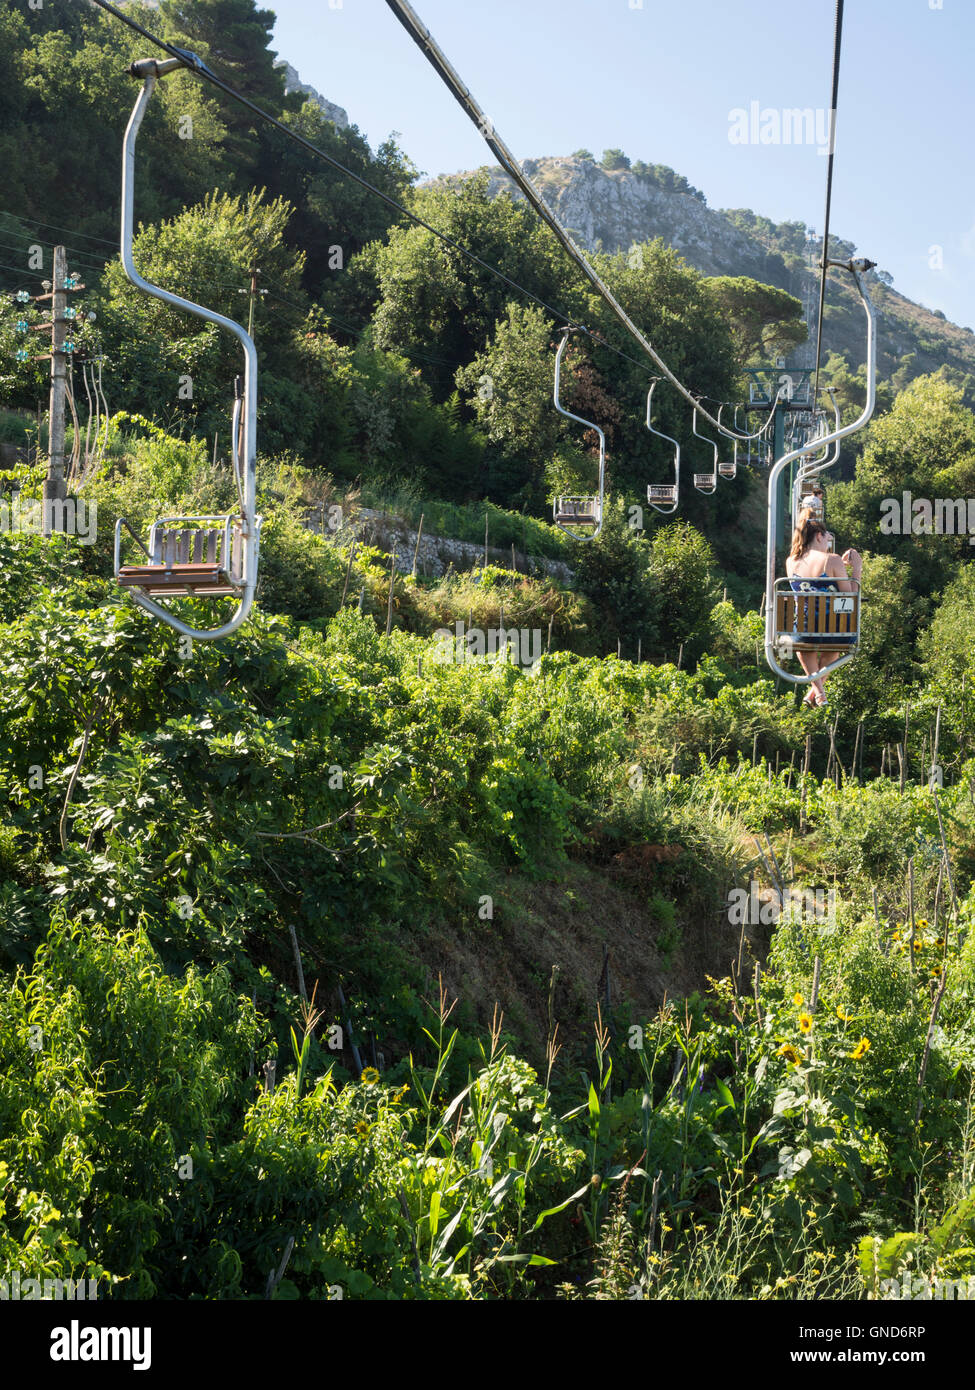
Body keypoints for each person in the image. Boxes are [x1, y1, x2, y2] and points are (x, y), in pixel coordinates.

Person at [785, 515, 862, 708]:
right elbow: (850, 598)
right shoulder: (833, 560)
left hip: (803, 630)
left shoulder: (791, 562)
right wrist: (856, 570)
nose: (828, 541)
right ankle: (817, 693)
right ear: (818, 536)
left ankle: (818, 694)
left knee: (804, 645)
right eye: (827, 537)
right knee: (832, 645)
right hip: (837, 631)